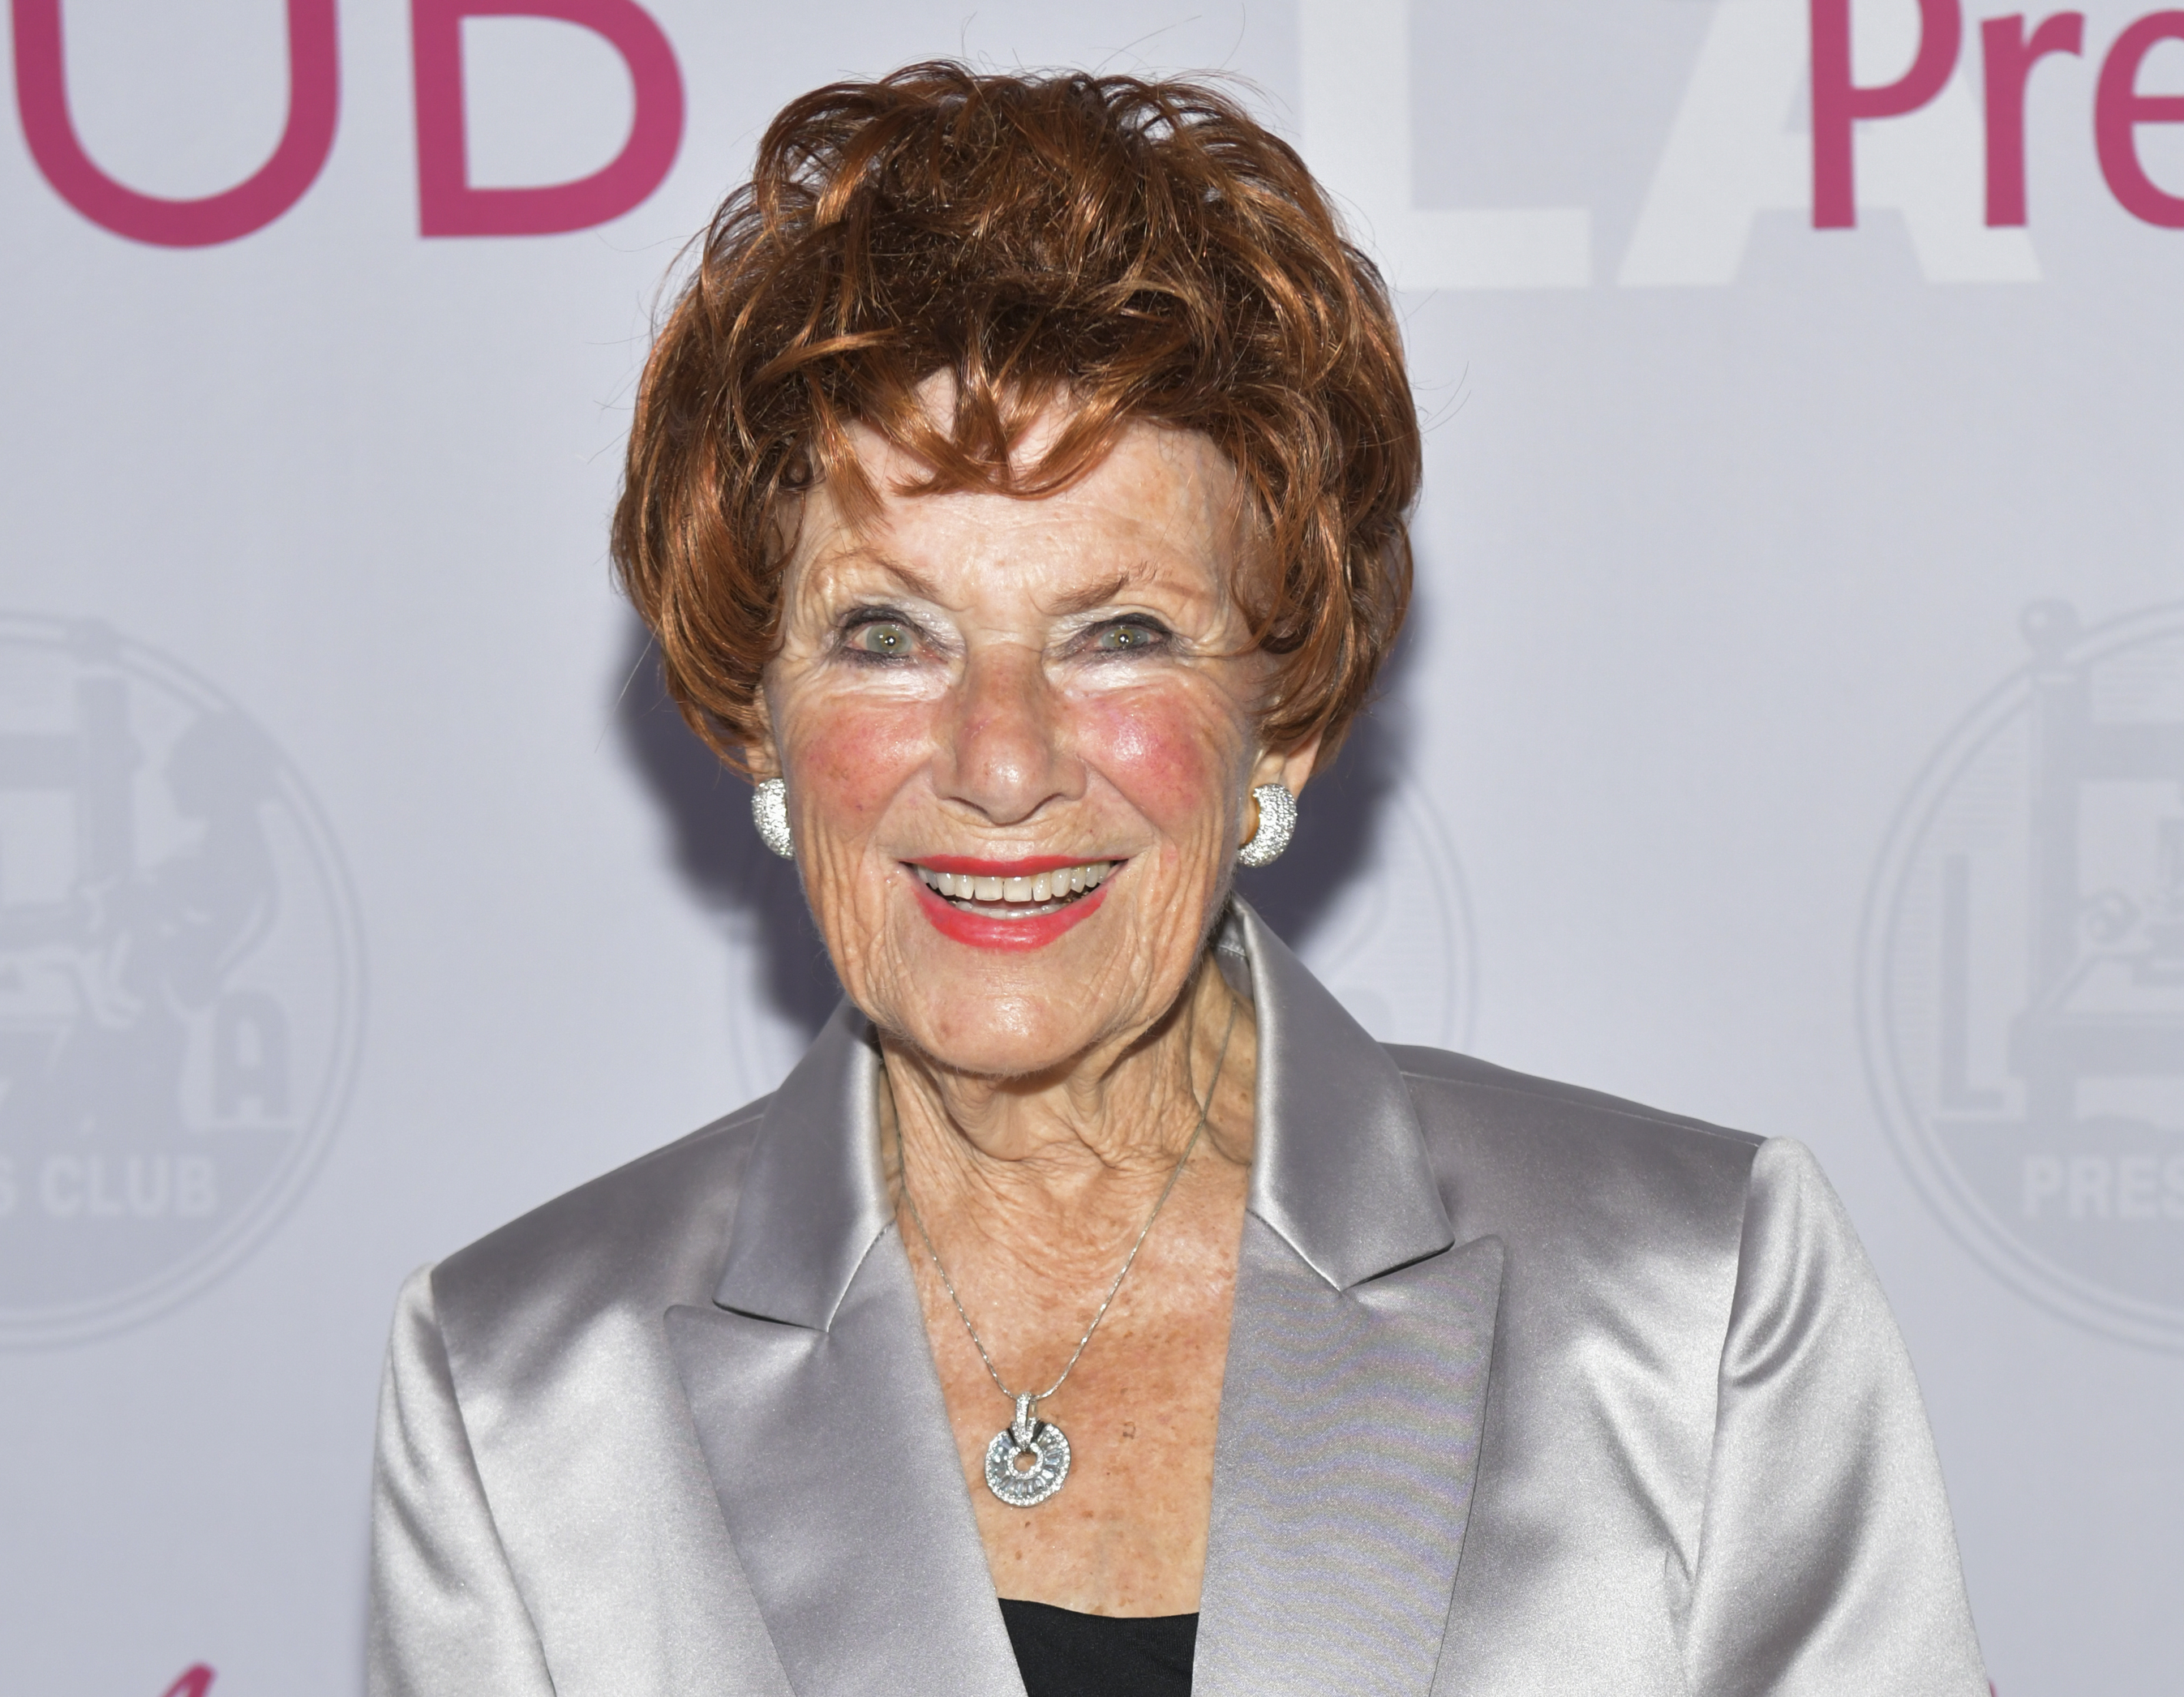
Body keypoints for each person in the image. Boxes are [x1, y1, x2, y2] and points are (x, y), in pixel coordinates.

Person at [368, 63, 1989, 1697]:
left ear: (1276, 722)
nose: (1003, 761)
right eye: (889, 634)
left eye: (1119, 636)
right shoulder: (523, 1392)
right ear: (756, 712)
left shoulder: (1692, 1306)